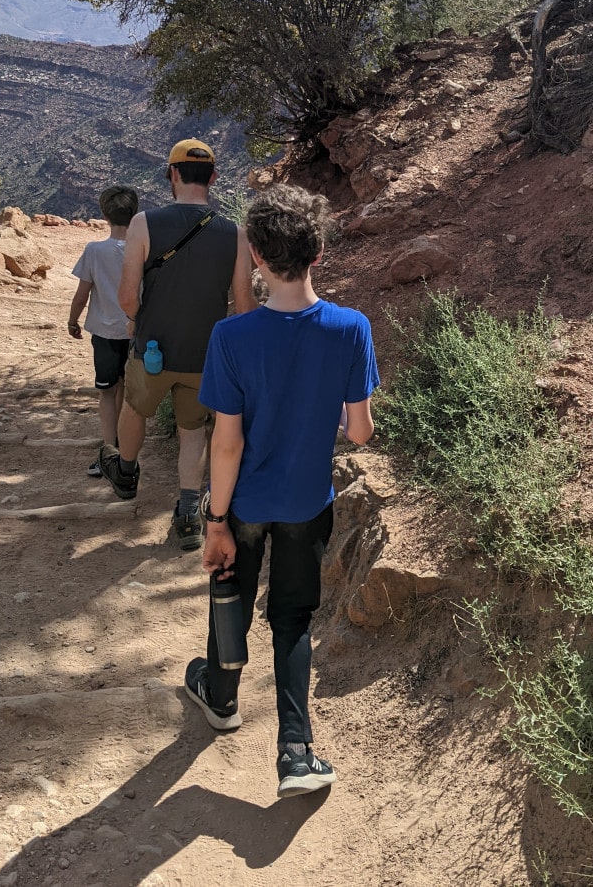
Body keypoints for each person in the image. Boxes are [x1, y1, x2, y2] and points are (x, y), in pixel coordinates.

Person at [183, 183, 378, 798]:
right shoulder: (351, 328)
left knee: (229, 591)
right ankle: (296, 752)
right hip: (305, 502)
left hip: (244, 502)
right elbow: (360, 432)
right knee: (292, 619)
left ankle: (220, 696)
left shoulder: (232, 338)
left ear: (258, 260)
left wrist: (215, 521)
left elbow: (227, 443)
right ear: (319, 253)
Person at [98, 139, 256, 553]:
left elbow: (128, 296)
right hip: (205, 355)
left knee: (134, 407)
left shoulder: (143, 224)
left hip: (152, 349)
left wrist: (136, 321)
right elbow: (244, 306)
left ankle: (127, 472)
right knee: (192, 431)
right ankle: (188, 514)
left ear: (172, 174)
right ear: (214, 178)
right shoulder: (235, 234)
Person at [67, 185, 139, 477]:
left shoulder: (94, 251)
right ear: (134, 214)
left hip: (105, 333)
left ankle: (110, 451)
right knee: (125, 388)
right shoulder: (143, 250)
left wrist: (72, 321)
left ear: (105, 215)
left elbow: (82, 294)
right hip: (135, 332)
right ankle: (125, 451)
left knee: (107, 393)